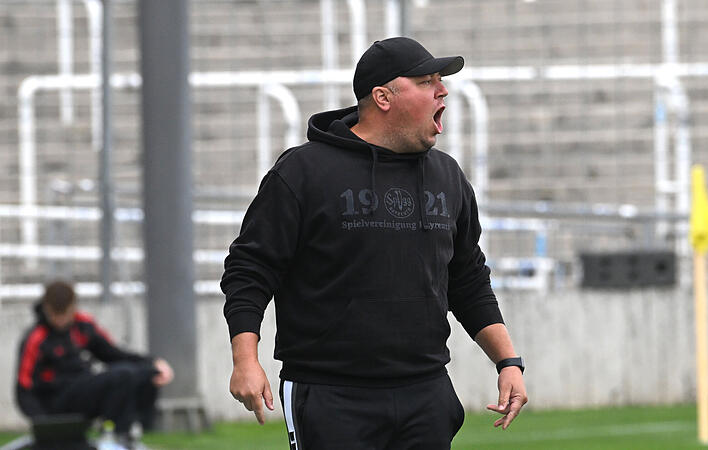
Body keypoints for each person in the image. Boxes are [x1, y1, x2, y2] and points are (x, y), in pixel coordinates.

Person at [222, 36, 527, 449]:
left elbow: (468, 279)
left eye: (440, 80)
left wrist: (508, 361)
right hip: (331, 393)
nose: (442, 90)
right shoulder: (303, 172)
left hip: (426, 392)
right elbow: (250, 271)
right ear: (383, 97)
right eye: (426, 81)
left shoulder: (448, 176)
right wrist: (245, 360)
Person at [15, 281, 174, 446]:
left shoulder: (83, 325)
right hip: (56, 402)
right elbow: (24, 387)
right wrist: (45, 425)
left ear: (73, 307)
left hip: (83, 390)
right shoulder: (36, 337)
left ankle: (127, 432)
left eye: (65, 314)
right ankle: (116, 435)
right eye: (56, 315)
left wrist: (152, 363)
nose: (60, 321)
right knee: (121, 375)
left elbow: (112, 354)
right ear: (47, 309)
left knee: (144, 373)